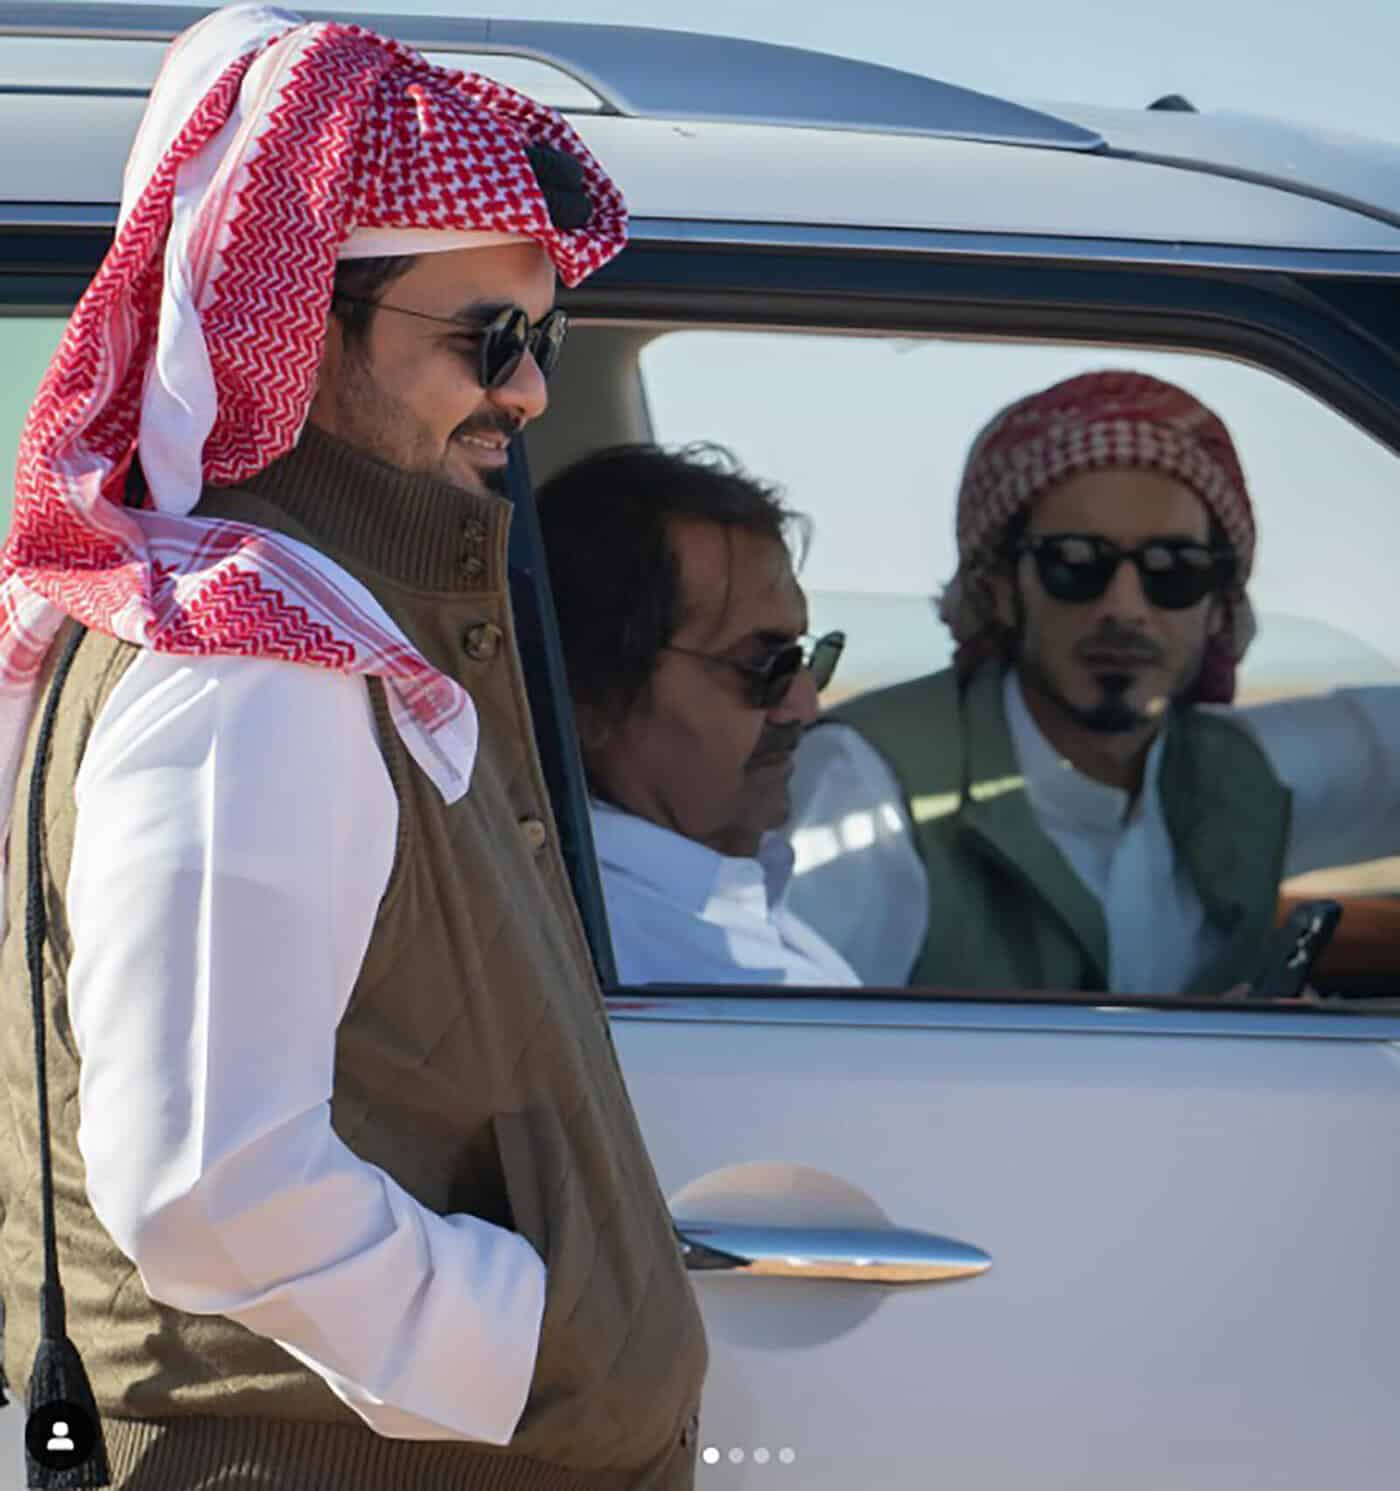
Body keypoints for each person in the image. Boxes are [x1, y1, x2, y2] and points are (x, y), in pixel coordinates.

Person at [0, 8, 705, 1490]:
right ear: (293, 322)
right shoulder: (251, 659)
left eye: (544, 340)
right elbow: (207, 1182)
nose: (528, 391)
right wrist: (521, 1337)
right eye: (485, 339)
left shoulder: (329, 621)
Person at [784, 370, 1400, 995]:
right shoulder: (866, 787)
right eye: (1076, 563)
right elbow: (780, 1038)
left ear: (1220, 606)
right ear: (1001, 589)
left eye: (1174, 569)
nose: (1124, 608)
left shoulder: (1242, 774)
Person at [536, 444, 857, 986]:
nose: (805, 706)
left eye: (806, 658)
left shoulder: (734, 902)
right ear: (593, 696)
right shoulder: (615, 958)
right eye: (763, 666)